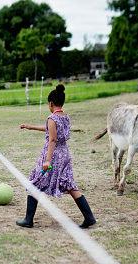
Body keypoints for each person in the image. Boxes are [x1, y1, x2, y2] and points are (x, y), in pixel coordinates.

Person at [16, 84, 96, 229]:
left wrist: (47, 160)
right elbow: (52, 130)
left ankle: (28, 220)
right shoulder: (66, 117)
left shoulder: (52, 118)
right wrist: (31, 127)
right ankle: (89, 217)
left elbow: (52, 139)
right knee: (69, 184)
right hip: (65, 154)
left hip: (53, 155)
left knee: (36, 182)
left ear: (51, 103)